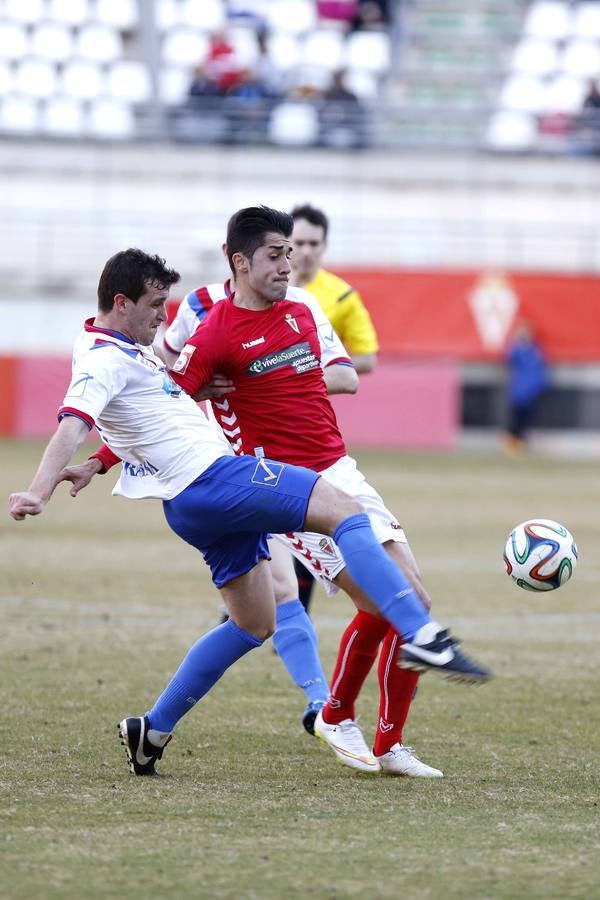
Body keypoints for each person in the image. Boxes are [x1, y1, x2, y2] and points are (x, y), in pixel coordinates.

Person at [9, 234, 489, 779]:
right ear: (120, 303)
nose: (162, 319)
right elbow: (74, 419)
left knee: (253, 622)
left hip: (189, 504)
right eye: (152, 307)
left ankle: (153, 728)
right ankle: (422, 635)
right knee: (342, 509)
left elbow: (142, 417)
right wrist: (39, 490)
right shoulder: (101, 359)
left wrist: (98, 464)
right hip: (216, 480)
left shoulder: (123, 352)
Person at [290, 202, 378, 613]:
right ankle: (247, 603)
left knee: (307, 514)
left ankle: (295, 608)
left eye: (313, 243)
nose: (305, 251)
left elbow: (366, 358)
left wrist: (316, 365)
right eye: (298, 242)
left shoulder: (340, 296)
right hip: (255, 421)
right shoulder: (263, 285)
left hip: (306, 425)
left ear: (324, 246)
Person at [504, 320, 549, 456]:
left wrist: (541, 384)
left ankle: (520, 443)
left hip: (532, 391)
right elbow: (508, 356)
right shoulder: (517, 349)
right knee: (517, 418)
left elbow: (541, 367)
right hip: (519, 391)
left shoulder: (535, 349)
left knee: (526, 419)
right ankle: (512, 444)